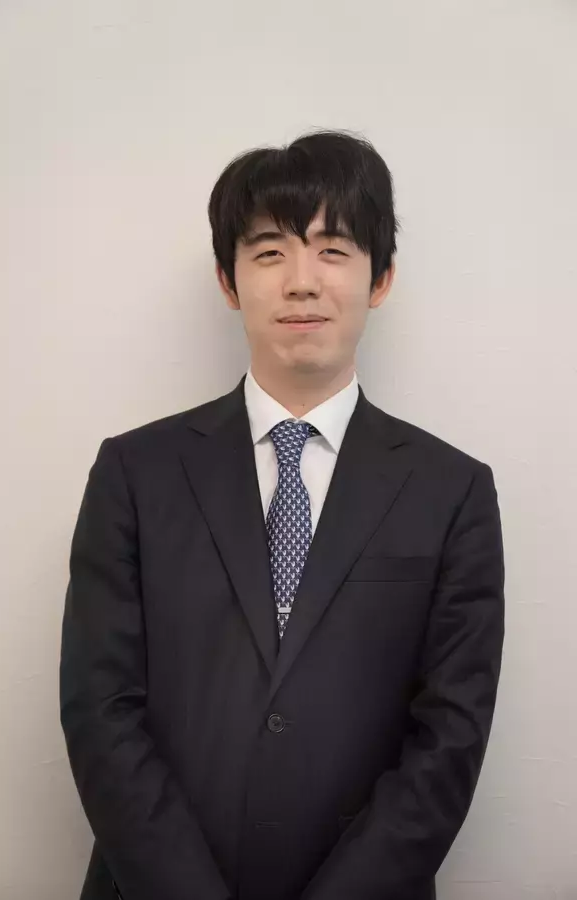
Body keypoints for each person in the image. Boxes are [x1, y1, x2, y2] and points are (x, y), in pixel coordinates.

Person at [60, 130, 505, 900]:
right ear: (229, 281)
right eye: (269, 252)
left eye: (333, 250)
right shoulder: (134, 473)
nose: (302, 282)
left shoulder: (453, 490)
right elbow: (100, 712)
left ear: (381, 278)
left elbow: (450, 738)